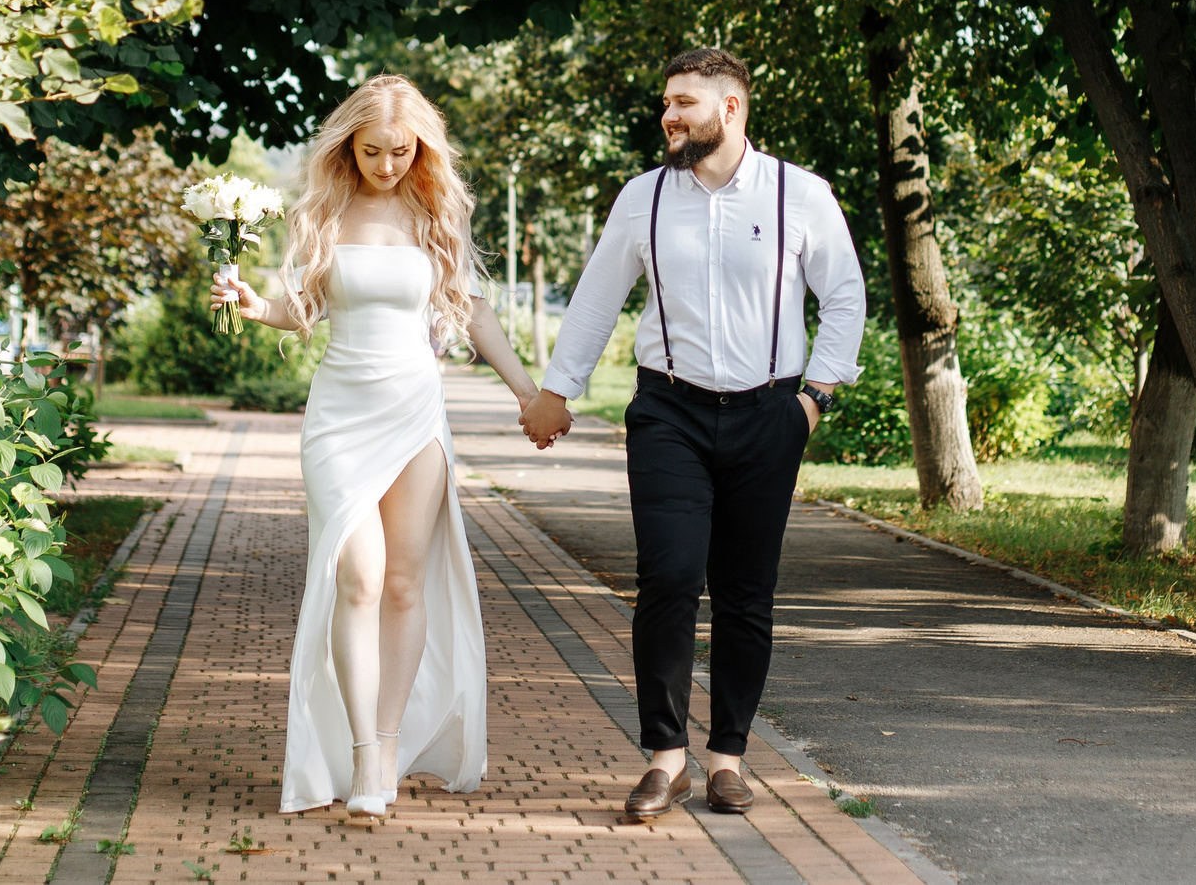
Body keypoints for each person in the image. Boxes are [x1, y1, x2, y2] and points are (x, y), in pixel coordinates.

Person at [519, 47, 866, 822]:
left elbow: (845, 297)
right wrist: (555, 392)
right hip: (668, 413)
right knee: (670, 578)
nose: (669, 114)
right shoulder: (643, 198)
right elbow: (596, 298)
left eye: (683, 101)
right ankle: (666, 757)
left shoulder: (798, 195)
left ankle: (728, 757)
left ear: (731, 106)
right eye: (666, 102)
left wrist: (813, 399)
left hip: (769, 413)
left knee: (746, 593)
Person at [212, 74, 542, 819]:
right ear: (348, 145)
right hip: (339, 415)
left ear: (418, 146)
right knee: (356, 576)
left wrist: (528, 392)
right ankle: (362, 751)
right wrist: (253, 304)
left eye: (400, 150)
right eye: (371, 150)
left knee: (403, 583)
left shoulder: (434, 214)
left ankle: (388, 741)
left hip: (415, 412)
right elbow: (304, 311)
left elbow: (475, 311)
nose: (386, 164)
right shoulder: (327, 209)